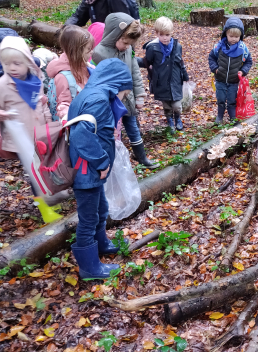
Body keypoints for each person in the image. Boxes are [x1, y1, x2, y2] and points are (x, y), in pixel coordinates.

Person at [68, 58, 132, 279]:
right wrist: (102, 162)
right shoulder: (99, 100)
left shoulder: (92, 93)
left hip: (90, 172)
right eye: (125, 92)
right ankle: (89, 268)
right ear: (117, 84)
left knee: (100, 209)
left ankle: (102, 243)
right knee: (88, 219)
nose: (124, 97)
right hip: (86, 171)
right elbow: (80, 134)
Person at [0, 36, 62, 223]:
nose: (12, 68)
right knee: (34, 171)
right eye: (6, 63)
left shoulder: (35, 80)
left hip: (39, 134)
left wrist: (49, 124)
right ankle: (44, 209)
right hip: (20, 138)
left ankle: (49, 198)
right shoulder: (3, 85)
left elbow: (42, 104)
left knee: (43, 167)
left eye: (17, 63)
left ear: (28, 61)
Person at [92, 12, 158, 169]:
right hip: (111, 102)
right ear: (114, 34)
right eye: (124, 42)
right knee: (112, 132)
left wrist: (140, 94)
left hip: (128, 98)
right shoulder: (99, 53)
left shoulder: (128, 50)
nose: (126, 46)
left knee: (133, 127)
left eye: (129, 44)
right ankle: (112, 161)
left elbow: (134, 71)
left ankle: (141, 156)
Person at [140, 16, 189, 133]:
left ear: (171, 33)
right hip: (161, 81)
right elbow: (147, 61)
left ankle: (177, 118)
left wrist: (185, 75)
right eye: (161, 35)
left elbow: (180, 62)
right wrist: (134, 61)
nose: (165, 38)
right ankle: (169, 121)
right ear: (156, 33)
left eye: (167, 35)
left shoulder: (177, 46)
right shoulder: (152, 47)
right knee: (166, 104)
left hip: (175, 80)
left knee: (177, 105)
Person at [208, 17, 253, 124]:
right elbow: (211, 58)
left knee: (232, 101)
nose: (233, 39)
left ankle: (233, 118)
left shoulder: (243, 49)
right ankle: (219, 117)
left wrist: (243, 71)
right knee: (221, 99)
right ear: (225, 34)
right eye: (231, 36)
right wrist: (215, 68)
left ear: (240, 36)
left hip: (234, 81)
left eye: (236, 37)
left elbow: (248, 62)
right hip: (220, 79)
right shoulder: (218, 47)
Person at [47, 25, 94, 120]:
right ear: (77, 51)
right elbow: (64, 104)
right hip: (75, 123)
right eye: (88, 49)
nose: (91, 52)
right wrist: (68, 118)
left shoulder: (85, 66)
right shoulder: (62, 77)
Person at [65, 0, 139, 27]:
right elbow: (78, 17)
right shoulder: (89, 1)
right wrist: (66, 28)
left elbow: (125, 23)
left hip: (119, 42)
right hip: (101, 39)